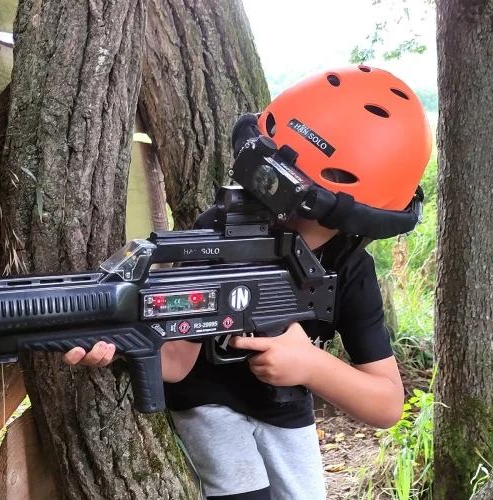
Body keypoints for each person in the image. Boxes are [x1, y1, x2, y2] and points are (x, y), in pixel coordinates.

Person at [62, 64, 432, 500]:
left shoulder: (350, 270)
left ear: (347, 221)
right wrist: (112, 337)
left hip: (288, 407)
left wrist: (310, 366)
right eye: (261, 188)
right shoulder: (220, 231)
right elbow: (177, 365)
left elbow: (387, 405)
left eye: (296, 209)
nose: (269, 214)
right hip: (208, 401)